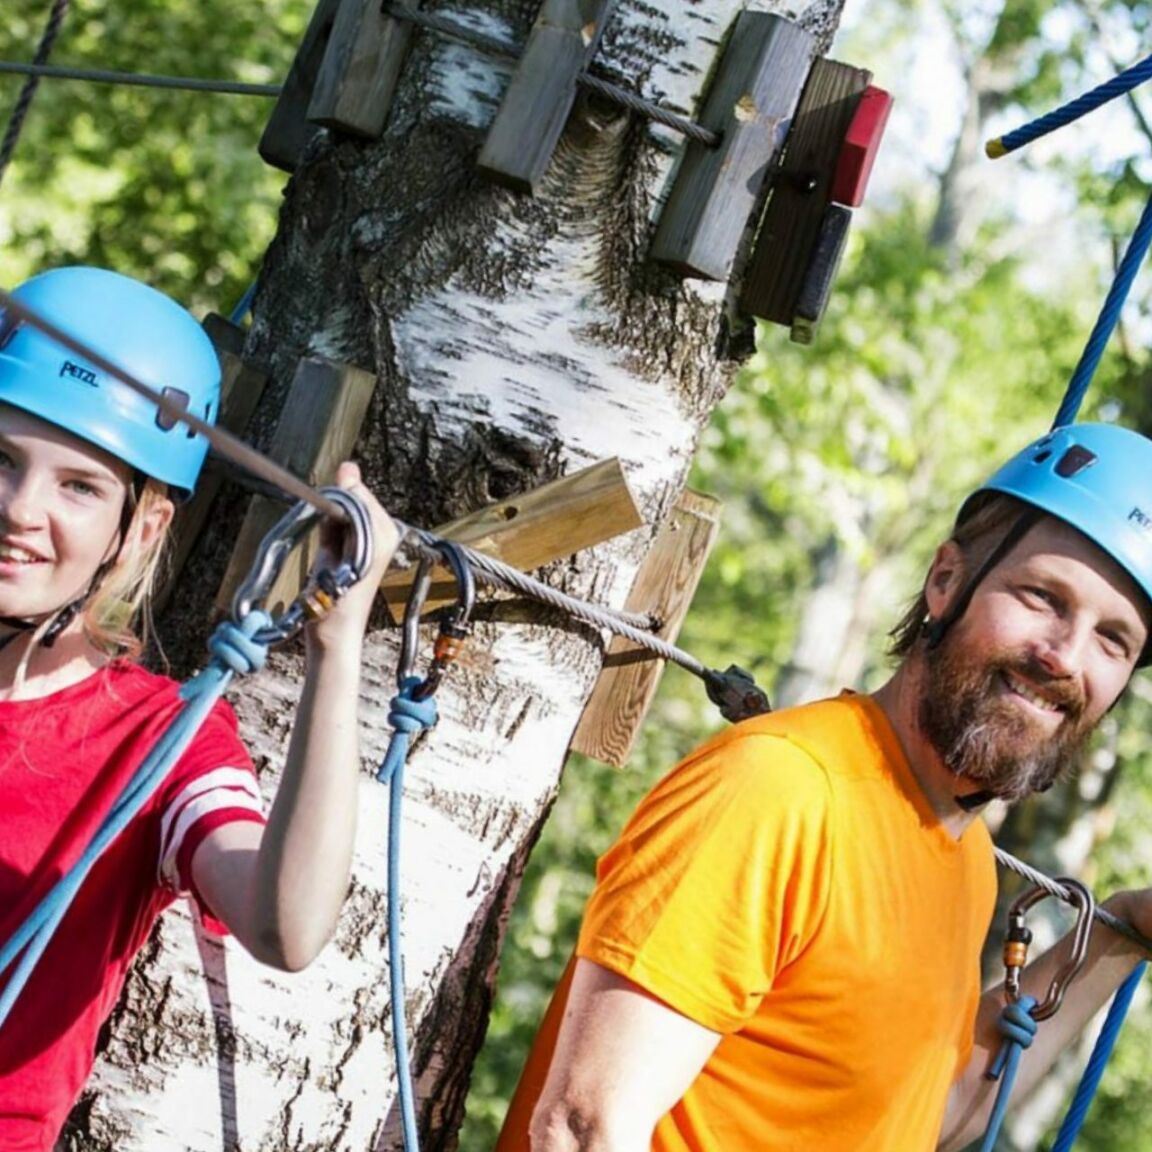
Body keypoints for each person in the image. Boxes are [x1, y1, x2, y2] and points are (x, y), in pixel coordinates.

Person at [496, 420, 1152, 1152]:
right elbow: (584, 1129)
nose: (1064, 656)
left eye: (1113, 639)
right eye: (1042, 598)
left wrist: (1119, 936)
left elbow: (932, 1112)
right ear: (946, 581)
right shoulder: (779, 790)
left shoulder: (960, 862)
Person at [0, 266, 398, 1150]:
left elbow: (283, 922)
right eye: (2, 460)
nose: (20, 510)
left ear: (140, 528)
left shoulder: (149, 741)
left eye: (79, 486)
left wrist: (337, 648)